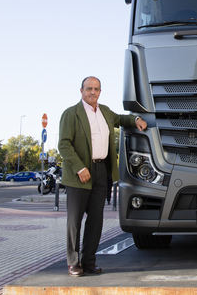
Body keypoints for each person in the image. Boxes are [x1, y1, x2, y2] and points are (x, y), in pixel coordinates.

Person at [58, 76, 147, 277]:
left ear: (100, 92)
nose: (92, 92)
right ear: (81, 90)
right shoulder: (71, 114)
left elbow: (122, 119)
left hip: (101, 172)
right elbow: (64, 144)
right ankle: (74, 263)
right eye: (89, 88)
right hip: (79, 174)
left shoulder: (105, 112)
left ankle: (89, 262)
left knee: (96, 221)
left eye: (96, 89)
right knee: (75, 221)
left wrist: (136, 120)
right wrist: (80, 168)